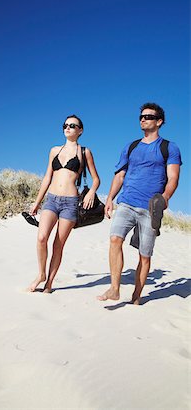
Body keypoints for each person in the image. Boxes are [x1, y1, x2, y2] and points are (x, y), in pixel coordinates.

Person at [98, 103, 182, 305]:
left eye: (148, 116)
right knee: (115, 240)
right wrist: (109, 198)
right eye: (141, 117)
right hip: (126, 202)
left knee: (144, 255)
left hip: (150, 208)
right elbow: (120, 175)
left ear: (159, 121)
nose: (143, 119)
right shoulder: (131, 146)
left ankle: (137, 295)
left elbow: (173, 178)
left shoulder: (169, 148)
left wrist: (165, 197)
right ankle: (115, 289)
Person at [28, 115, 100, 293]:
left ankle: (49, 283)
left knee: (58, 245)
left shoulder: (85, 152)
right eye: (65, 125)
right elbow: (47, 177)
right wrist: (37, 202)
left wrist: (91, 192)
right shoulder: (54, 150)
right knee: (41, 238)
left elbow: (96, 179)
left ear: (80, 130)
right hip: (51, 199)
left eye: (72, 125)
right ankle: (41, 274)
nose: (68, 128)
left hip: (70, 203)